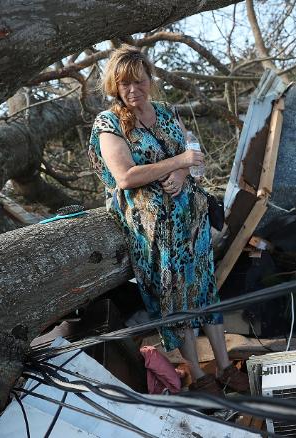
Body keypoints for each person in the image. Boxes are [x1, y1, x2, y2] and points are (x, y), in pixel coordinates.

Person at [87, 45, 248, 394]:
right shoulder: (108, 122)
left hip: (191, 221)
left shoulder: (167, 111)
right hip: (154, 230)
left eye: (139, 82)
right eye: (125, 84)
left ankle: (223, 368)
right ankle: (199, 376)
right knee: (176, 298)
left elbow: (198, 161)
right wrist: (178, 163)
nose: (133, 90)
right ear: (115, 86)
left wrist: (187, 170)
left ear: (150, 80)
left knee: (205, 292)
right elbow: (126, 176)